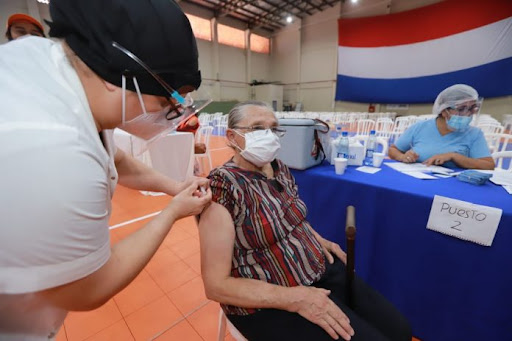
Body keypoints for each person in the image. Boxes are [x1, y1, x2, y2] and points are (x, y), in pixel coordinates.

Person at [0, 1, 212, 339]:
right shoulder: (55, 154)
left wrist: (174, 186)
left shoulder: (69, 72)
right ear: (121, 78)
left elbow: (116, 158)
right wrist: (172, 213)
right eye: (165, 102)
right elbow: (88, 288)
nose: (168, 116)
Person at [198, 101, 412, 340]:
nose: (268, 136)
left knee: (399, 329)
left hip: (316, 267)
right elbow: (216, 285)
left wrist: (317, 238)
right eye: (258, 128)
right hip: (269, 298)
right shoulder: (223, 188)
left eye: (273, 128)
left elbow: (291, 218)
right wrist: (294, 299)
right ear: (232, 137)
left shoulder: (278, 168)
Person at [388, 84, 494, 169]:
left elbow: (488, 165)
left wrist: (454, 156)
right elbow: (393, 149)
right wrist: (402, 157)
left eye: (472, 108)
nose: (468, 114)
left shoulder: (474, 134)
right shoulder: (420, 127)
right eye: (461, 109)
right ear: (444, 111)